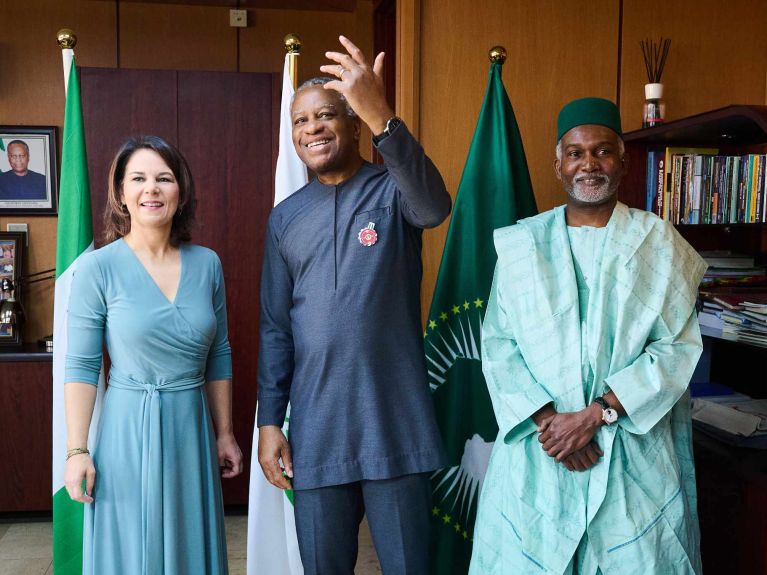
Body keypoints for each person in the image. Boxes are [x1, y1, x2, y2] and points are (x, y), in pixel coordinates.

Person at [470, 97, 706, 574]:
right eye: (576, 153)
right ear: (558, 165)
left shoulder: (658, 242)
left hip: (629, 450)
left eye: (602, 151)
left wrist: (597, 415)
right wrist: (552, 426)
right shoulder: (522, 244)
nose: (589, 164)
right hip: (542, 448)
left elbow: (677, 348)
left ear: (621, 161)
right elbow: (498, 344)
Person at [257, 35, 450, 574]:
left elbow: (434, 208)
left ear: (353, 121)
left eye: (325, 115)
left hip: (395, 423)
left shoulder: (392, 190)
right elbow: (275, 329)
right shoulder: (285, 219)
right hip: (318, 429)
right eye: (300, 122)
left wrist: (384, 115)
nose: (312, 128)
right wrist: (270, 422)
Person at [63, 135, 243, 574]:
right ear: (121, 193)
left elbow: (218, 353)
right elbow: (83, 366)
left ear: (180, 191)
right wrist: (76, 451)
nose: (152, 189)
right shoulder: (96, 268)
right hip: (127, 430)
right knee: (129, 550)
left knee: (189, 546)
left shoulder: (208, 264)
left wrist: (224, 433)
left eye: (164, 178)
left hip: (190, 428)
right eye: (138, 178)